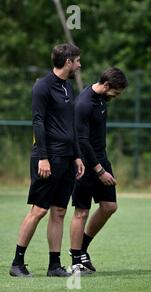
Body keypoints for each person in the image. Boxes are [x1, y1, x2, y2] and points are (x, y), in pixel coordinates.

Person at [9, 43, 85, 277]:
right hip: (47, 157)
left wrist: (77, 155)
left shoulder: (68, 87)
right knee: (39, 210)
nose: (80, 64)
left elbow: (70, 124)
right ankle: (17, 263)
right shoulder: (42, 86)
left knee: (59, 211)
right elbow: (38, 122)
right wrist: (43, 157)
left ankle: (54, 265)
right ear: (68, 61)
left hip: (66, 157)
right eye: (77, 60)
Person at [69, 67, 128, 273]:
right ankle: (76, 260)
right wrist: (100, 170)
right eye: (115, 92)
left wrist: (103, 165)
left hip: (101, 158)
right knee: (81, 211)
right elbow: (82, 141)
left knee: (109, 206)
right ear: (105, 85)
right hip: (85, 164)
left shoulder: (102, 98)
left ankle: (82, 249)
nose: (116, 96)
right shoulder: (84, 103)